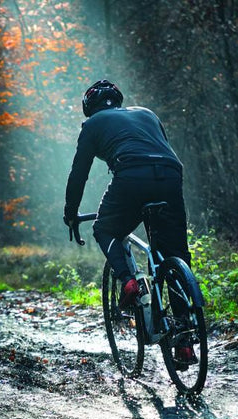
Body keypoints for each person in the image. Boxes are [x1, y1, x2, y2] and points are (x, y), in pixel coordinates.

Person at [63, 79, 191, 308]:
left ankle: (129, 282)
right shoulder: (147, 114)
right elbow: (159, 148)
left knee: (104, 228)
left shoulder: (92, 124)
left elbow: (78, 174)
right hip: (171, 174)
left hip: (132, 175)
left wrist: (71, 212)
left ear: (89, 107)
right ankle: (185, 334)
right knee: (176, 252)